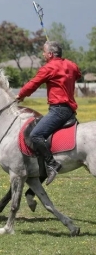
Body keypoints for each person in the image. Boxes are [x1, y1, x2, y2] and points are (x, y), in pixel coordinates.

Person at [15, 41, 81, 185]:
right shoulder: (71, 64)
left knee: (35, 134)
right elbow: (77, 74)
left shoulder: (49, 67)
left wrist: (20, 95)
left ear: (50, 54)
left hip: (58, 111)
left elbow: (33, 84)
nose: (43, 54)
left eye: (44, 52)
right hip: (70, 110)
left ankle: (52, 164)